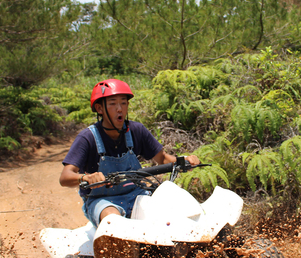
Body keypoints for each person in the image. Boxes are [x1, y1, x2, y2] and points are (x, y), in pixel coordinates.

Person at [59, 79, 200, 228]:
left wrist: (184, 160)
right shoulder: (87, 138)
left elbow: (162, 158)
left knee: (169, 218)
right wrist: (86, 177)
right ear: (100, 109)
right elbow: (65, 177)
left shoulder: (136, 130)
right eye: (113, 103)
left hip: (137, 195)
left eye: (124, 103)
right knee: (113, 220)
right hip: (103, 201)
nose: (119, 109)